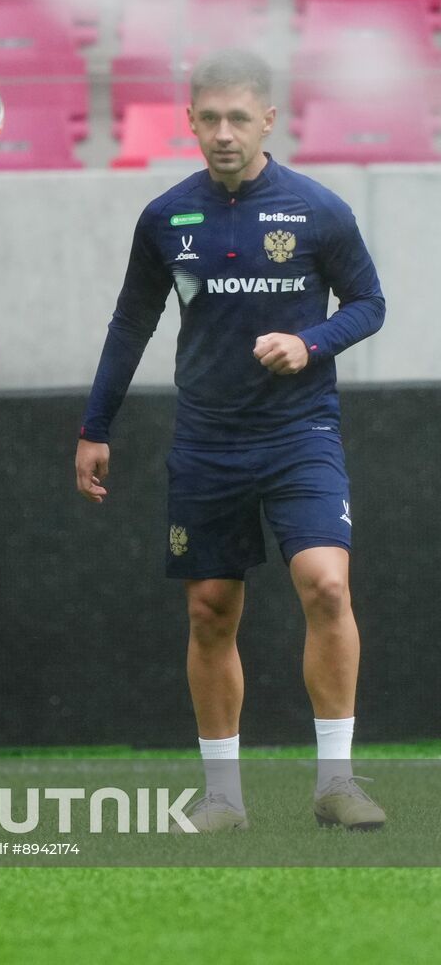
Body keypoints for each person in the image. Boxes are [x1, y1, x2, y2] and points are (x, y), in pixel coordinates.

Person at [75, 49, 386, 832]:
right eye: (209, 118)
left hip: (299, 432)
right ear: (189, 120)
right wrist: (94, 426)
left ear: (268, 120)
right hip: (208, 441)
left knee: (327, 585)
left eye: (238, 118)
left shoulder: (318, 210)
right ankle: (223, 796)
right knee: (211, 610)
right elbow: (130, 324)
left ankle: (337, 782)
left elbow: (369, 303)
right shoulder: (166, 218)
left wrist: (309, 343)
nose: (223, 133)